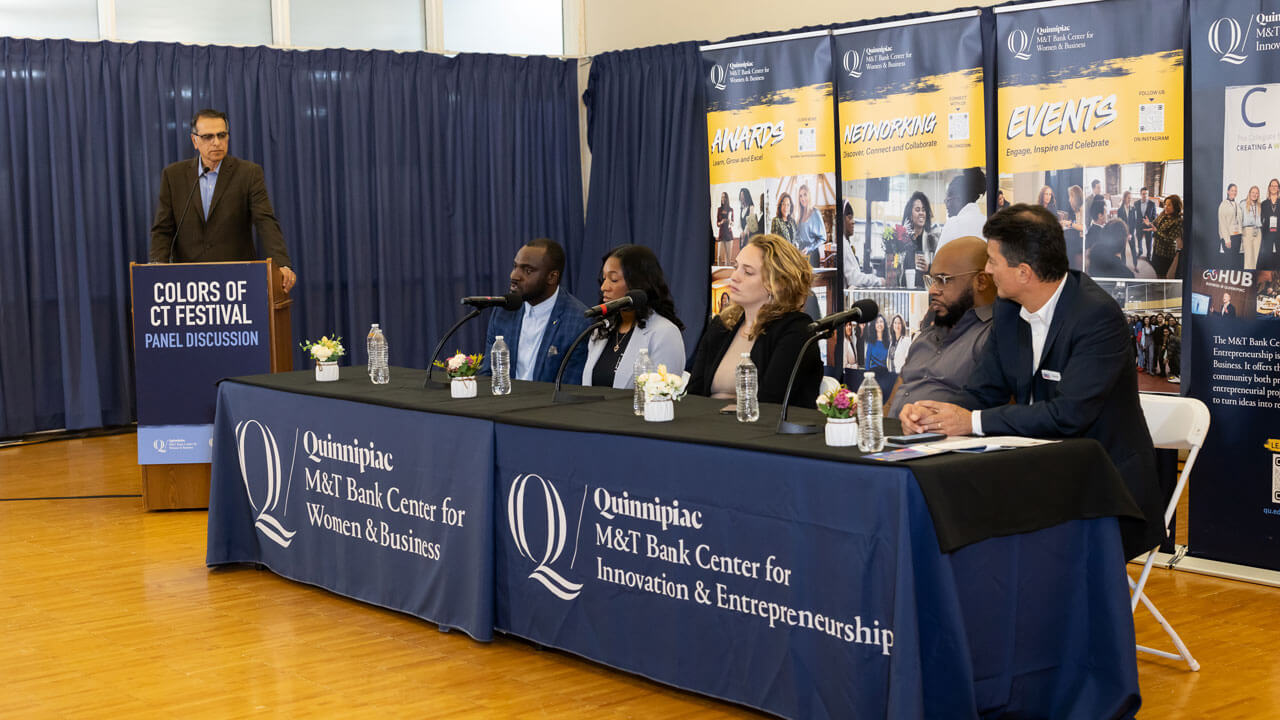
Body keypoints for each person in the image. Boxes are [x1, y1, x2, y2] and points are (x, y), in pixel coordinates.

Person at [898, 204, 1164, 560]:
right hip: (1038, 481)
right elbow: (983, 390)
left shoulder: (1097, 317)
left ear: (1023, 272)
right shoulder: (1008, 311)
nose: (987, 270)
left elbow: (1068, 415)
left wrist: (971, 421)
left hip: (1104, 492)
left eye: (993, 261)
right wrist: (935, 414)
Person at [149, 109, 296, 294]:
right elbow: (163, 230)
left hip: (237, 283)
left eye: (221, 135)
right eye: (208, 136)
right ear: (195, 141)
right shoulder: (173, 176)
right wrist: (155, 270)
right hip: (188, 284)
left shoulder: (248, 173)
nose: (216, 142)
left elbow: (265, 221)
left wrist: (281, 264)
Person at [686, 234, 822, 408]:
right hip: (707, 427)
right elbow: (693, 394)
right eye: (736, 267)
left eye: (748, 272)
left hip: (757, 431)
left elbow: (771, 403)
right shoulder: (722, 326)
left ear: (777, 284)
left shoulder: (796, 331)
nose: (735, 276)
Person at [887, 236, 996, 418]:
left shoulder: (993, 336)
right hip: (894, 436)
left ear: (981, 282)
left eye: (943, 280)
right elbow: (890, 403)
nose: (932, 291)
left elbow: (994, 410)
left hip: (943, 441)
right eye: (932, 280)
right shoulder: (925, 336)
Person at [482, 238, 590, 384]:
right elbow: (488, 373)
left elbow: (570, 388)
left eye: (528, 270)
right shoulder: (503, 311)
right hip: (503, 402)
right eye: (515, 266)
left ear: (552, 277)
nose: (514, 276)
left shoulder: (579, 321)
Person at [581, 245, 686, 388]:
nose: (604, 287)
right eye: (604, 278)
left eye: (614, 279)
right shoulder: (602, 329)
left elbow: (662, 396)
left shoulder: (664, 333)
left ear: (638, 284)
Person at [935, 167, 987, 251]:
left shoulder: (953, 224)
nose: (946, 204)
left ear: (958, 199)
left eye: (948, 199)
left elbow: (938, 262)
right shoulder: (986, 222)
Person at [840, 201, 882, 288]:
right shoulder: (843, 245)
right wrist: (879, 281)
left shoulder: (845, 243)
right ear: (842, 220)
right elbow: (854, 279)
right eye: (850, 218)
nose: (853, 222)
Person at [1151, 194, 1183, 279]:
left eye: (1169, 205)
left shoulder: (1178, 221)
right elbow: (1155, 223)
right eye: (1165, 204)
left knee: (1162, 275)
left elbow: (1170, 239)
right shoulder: (1163, 214)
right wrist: (1149, 224)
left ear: (1175, 206)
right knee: (1154, 271)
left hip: (1166, 254)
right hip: (1156, 249)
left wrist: (1156, 231)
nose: (1166, 207)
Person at [795, 183, 827, 265]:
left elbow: (823, 238)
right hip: (801, 254)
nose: (803, 198)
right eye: (800, 196)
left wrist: (809, 248)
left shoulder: (815, 213)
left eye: (805, 195)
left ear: (809, 195)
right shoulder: (800, 215)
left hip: (812, 254)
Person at [1219, 184, 1244, 270]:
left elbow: (1240, 221)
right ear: (1228, 191)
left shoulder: (1237, 205)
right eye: (1232, 190)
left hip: (1237, 236)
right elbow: (1222, 223)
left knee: (1235, 262)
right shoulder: (1223, 205)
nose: (1234, 192)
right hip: (1229, 237)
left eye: (1235, 191)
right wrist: (1227, 239)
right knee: (1229, 262)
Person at [1259, 179, 1280, 271]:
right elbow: (1260, 219)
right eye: (1272, 186)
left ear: (1278, 188)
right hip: (1267, 233)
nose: (1274, 188)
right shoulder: (1264, 204)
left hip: (1279, 233)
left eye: (1276, 186)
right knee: (1267, 255)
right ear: (1269, 188)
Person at [1062, 184, 1085, 270]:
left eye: (1070, 197)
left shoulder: (1083, 209)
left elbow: (1083, 228)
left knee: (1068, 243)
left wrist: (1070, 224)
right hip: (1079, 238)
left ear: (1075, 197)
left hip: (1082, 241)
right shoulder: (1077, 210)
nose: (1069, 200)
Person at [1242, 185, 1263, 270]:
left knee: (1255, 257)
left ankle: (1253, 276)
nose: (1255, 194)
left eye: (1256, 193)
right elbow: (1239, 219)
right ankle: (1247, 275)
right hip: (1247, 231)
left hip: (1258, 231)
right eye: (1253, 192)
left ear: (1258, 195)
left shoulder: (1259, 206)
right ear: (1249, 193)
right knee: (1248, 256)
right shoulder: (1243, 204)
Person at [1119, 190, 1140, 271]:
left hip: (1131, 233)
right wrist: (1124, 234)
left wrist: (1131, 233)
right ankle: (1123, 265)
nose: (1130, 200)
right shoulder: (1120, 210)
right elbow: (1120, 223)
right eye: (1128, 198)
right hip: (1123, 234)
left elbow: (1134, 222)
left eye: (1130, 198)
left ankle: (1135, 265)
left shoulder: (1133, 209)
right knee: (1122, 250)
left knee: (1133, 249)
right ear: (1124, 198)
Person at [1136, 187, 1158, 260]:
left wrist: (1150, 223)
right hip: (1139, 225)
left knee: (1149, 241)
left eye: (1146, 194)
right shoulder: (1136, 203)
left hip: (1148, 227)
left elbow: (1154, 217)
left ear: (1148, 194)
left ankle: (1148, 254)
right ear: (1140, 194)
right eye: (1143, 194)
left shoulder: (1152, 204)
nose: (1144, 195)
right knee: (1139, 239)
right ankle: (1140, 251)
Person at [716, 192, 734, 265]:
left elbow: (733, 223)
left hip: (729, 235)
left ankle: (727, 275)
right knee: (719, 256)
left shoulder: (731, 209)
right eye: (722, 197)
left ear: (727, 199)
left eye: (724, 197)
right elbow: (717, 223)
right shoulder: (719, 209)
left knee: (728, 258)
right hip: (721, 234)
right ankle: (718, 274)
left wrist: (730, 222)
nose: (723, 198)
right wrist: (721, 222)